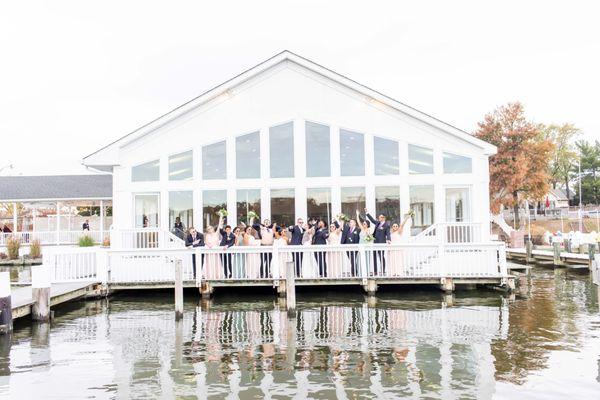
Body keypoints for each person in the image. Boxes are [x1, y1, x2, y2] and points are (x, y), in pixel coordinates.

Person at [365, 208, 391, 276]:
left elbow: (388, 233)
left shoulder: (386, 225)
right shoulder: (377, 223)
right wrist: (367, 213)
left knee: (381, 256)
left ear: (383, 218)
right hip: (375, 242)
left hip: (381, 243)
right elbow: (372, 220)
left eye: (380, 217)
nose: (379, 218)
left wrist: (389, 239)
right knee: (374, 257)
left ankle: (383, 271)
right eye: (379, 217)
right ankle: (375, 271)